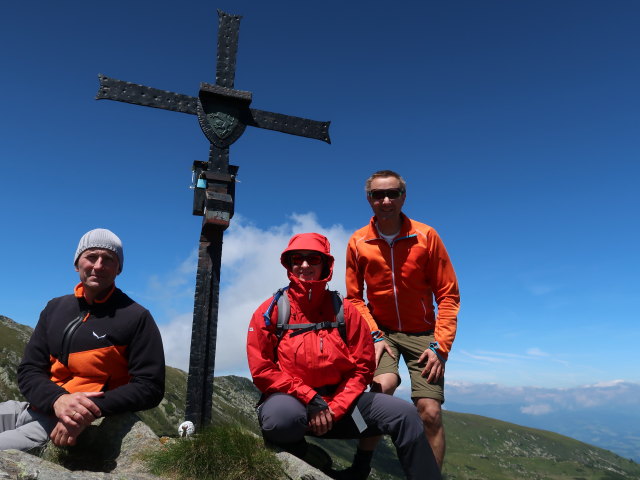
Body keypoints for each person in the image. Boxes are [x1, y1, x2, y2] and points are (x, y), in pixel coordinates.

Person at [246, 233, 441, 480]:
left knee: (405, 415)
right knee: (280, 420)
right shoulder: (270, 311)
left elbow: (362, 368)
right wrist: (311, 398)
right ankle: (303, 454)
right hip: (294, 405)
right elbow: (262, 370)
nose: (305, 265)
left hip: (341, 407)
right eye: (297, 258)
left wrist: (333, 408)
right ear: (289, 264)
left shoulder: (345, 310)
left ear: (325, 264)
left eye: (313, 259)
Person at [0, 228, 165, 451]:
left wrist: (83, 412)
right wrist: (57, 400)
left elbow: (149, 387)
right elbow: (29, 369)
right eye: (91, 257)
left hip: (64, 423)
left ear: (119, 269)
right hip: (28, 408)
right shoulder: (55, 308)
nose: (98, 265)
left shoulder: (136, 317)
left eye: (108, 259)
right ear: (77, 263)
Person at [344, 170, 460, 476]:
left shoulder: (426, 236)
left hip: (425, 336)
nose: (385, 201)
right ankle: (360, 469)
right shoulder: (358, 242)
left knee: (430, 412)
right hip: (381, 332)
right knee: (380, 394)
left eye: (393, 193)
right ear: (368, 199)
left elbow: (448, 296)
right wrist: (374, 335)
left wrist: (441, 347)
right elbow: (354, 298)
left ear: (403, 197)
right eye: (377, 195)